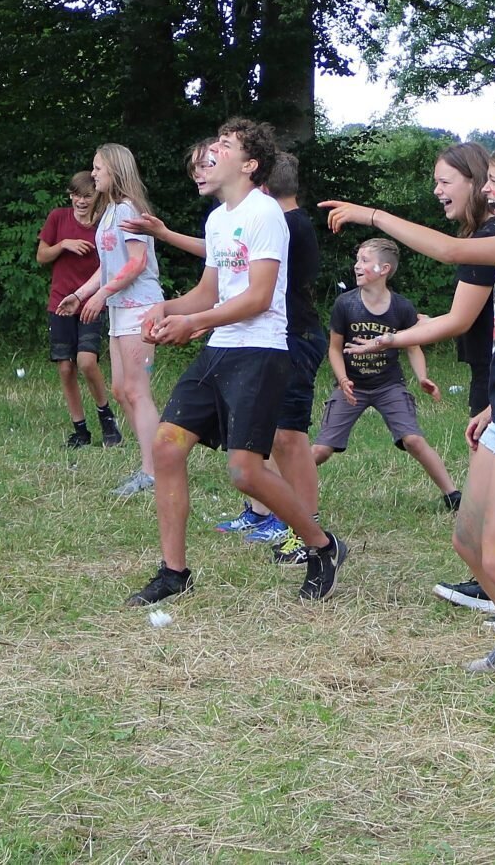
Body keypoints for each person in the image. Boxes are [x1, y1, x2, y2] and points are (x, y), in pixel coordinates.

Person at [323, 141, 495, 716]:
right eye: (486, 179)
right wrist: (494, 405)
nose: (487, 189)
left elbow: (450, 250)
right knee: (469, 541)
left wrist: (372, 216)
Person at [128, 119, 348, 606]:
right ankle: (174, 573)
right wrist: (167, 308)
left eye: (224, 146)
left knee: (245, 472)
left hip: (261, 353)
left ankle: (322, 546)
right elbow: (210, 291)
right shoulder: (218, 220)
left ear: (249, 164)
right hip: (220, 349)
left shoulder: (264, 212)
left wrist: (195, 322)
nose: (212, 153)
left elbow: (260, 297)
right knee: (166, 447)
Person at [315, 238, 458, 510]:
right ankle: (283, 490)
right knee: (321, 449)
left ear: (384, 269)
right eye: (357, 260)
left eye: (365, 261)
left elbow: (413, 346)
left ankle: (453, 495)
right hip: (352, 387)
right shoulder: (345, 304)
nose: (357, 266)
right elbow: (334, 349)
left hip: (389, 385)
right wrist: (343, 380)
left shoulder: (401, 307)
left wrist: (422, 377)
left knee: (414, 440)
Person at [428, 141, 495, 616]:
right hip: (493, 372)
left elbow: (458, 320)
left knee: (492, 491)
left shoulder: (487, 242)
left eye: (444, 181)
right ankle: (494, 582)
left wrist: (392, 339)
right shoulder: (491, 237)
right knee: (493, 488)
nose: (437, 191)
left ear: (475, 182)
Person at [75, 144, 166, 496]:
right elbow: (109, 264)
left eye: (98, 168)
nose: (93, 173)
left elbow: (137, 262)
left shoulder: (129, 209)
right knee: (120, 389)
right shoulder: (111, 210)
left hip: (140, 306)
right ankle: (152, 461)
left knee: (137, 391)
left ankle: (155, 471)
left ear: (115, 170)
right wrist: (82, 294)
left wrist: (101, 294)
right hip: (119, 307)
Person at [254, 154, 329, 564]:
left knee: (290, 437)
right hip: (288, 337)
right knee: (278, 436)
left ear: (263, 187)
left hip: (298, 338)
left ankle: (307, 530)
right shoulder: (287, 222)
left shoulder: (288, 225)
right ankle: (292, 523)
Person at [37, 173, 121, 449]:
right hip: (60, 302)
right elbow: (41, 256)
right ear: (69, 195)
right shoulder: (58, 218)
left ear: (97, 196)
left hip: (91, 302)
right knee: (65, 367)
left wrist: (94, 295)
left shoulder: (104, 224)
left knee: (86, 362)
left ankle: (106, 417)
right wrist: (63, 245)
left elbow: (111, 264)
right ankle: (80, 430)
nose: (81, 201)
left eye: (87, 196)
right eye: (76, 195)